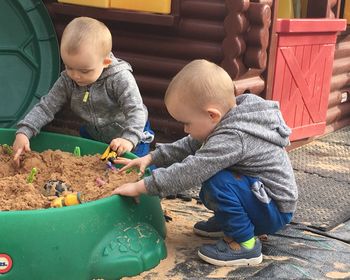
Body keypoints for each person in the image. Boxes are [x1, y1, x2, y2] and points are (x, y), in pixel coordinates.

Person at [111, 59, 298, 266]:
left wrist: (143, 186)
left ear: (212, 115)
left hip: (272, 209)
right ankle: (231, 222)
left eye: (186, 123)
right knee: (216, 180)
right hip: (261, 197)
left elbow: (192, 170)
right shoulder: (229, 118)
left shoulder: (233, 137)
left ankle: (246, 245)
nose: (185, 129)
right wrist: (152, 157)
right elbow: (190, 144)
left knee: (217, 181)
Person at [12, 16, 153, 166]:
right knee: (98, 170)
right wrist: (24, 131)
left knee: (137, 169)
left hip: (131, 134)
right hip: (94, 134)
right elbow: (46, 107)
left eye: (85, 71)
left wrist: (129, 138)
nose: (75, 75)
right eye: (69, 67)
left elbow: (135, 111)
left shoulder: (120, 79)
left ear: (106, 62)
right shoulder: (68, 80)